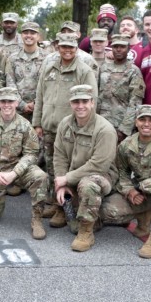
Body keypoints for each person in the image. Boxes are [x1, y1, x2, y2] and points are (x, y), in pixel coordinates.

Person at [100, 105, 151, 259]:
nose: (146, 124)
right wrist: (129, 191)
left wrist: (139, 187)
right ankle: (144, 216)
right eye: (142, 119)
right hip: (138, 192)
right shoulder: (126, 145)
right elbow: (122, 173)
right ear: (136, 122)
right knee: (107, 211)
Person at [33, 32, 97, 228]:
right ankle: (55, 202)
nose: (67, 50)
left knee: (68, 168)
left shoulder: (84, 70)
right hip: (49, 126)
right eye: (63, 47)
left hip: (71, 128)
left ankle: (64, 209)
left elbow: (91, 100)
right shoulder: (49, 68)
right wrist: (37, 122)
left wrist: (85, 125)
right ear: (57, 48)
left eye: (71, 47)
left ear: (76, 48)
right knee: (53, 167)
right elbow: (40, 96)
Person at [0, 87, 49, 240]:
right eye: (3, 101)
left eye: (10, 101)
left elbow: (31, 153)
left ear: (17, 103)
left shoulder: (25, 125)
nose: (7, 105)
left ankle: (37, 219)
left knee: (40, 176)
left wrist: (14, 173)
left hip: (17, 169)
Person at [53, 85, 117, 252]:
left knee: (88, 185)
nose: (80, 105)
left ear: (92, 102)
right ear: (71, 103)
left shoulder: (105, 129)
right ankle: (64, 207)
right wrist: (62, 182)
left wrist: (67, 178)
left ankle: (86, 231)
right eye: (76, 102)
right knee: (46, 178)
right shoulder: (65, 124)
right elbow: (59, 155)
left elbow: (99, 164)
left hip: (101, 175)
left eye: (84, 101)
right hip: (75, 174)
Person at [97, 33, 145, 143]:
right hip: (101, 123)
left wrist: (124, 130)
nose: (118, 50)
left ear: (128, 49)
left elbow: (135, 103)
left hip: (120, 127)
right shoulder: (104, 68)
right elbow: (98, 96)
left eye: (122, 47)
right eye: (115, 46)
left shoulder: (134, 71)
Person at [5, 21, 47, 122]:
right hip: (17, 110)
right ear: (21, 35)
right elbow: (10, 83)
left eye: (32, 33)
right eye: (25, 33)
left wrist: (35, 104)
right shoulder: (13, 58)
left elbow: (48, 85)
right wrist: (22, 105)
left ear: (38, 36)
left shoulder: (47, 58)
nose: (29, 36)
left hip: (40, 111)